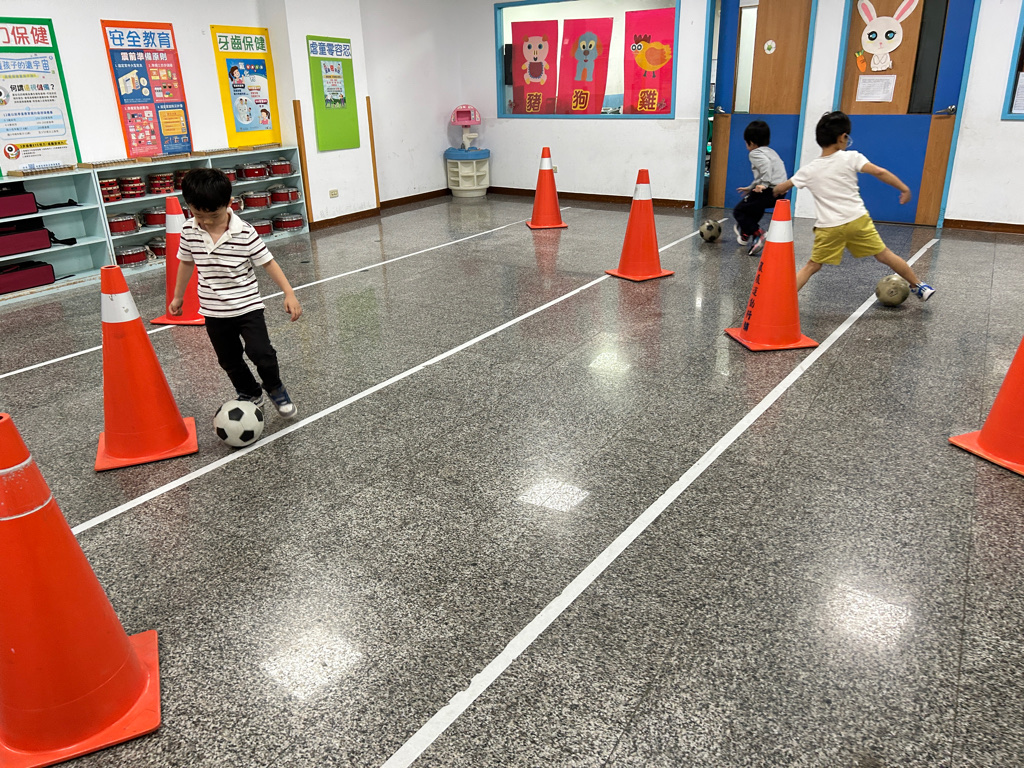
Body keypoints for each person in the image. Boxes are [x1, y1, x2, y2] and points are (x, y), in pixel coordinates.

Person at [169, 168, 303, 417]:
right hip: (213, 310)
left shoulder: (245, 232)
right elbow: (186, 262)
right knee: (229, 360)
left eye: (213, 215)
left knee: (261, 353)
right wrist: (178, 296)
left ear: (229, 203)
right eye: (198, 214)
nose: (207, 221)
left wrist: (289, 293)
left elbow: (268, 262)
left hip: (247, 307)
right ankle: (249, 392)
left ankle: (275, 387)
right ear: (188, 206)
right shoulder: (189, 230)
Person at [773, 111, 934, 300]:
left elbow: (783, 187)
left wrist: (774, 190)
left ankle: (782, 302)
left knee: (812, 266)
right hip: (857, 221)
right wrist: (904, 188)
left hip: (829, 227)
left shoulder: (808, 170)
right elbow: (879, 172)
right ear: (842, 137)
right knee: (884, 255)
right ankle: (919, 286)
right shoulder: (851, 157)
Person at [734, 120, 788, 256]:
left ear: (751, 142)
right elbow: (763, 174)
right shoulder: (771, 152)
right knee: (755, 208)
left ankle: (758, 233)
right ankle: (746, 233)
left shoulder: (755, 153)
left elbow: (766, 166)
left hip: (769, 190)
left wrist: (764, 184)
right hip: (780, 192)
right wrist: (750, 187)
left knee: (739, 211)